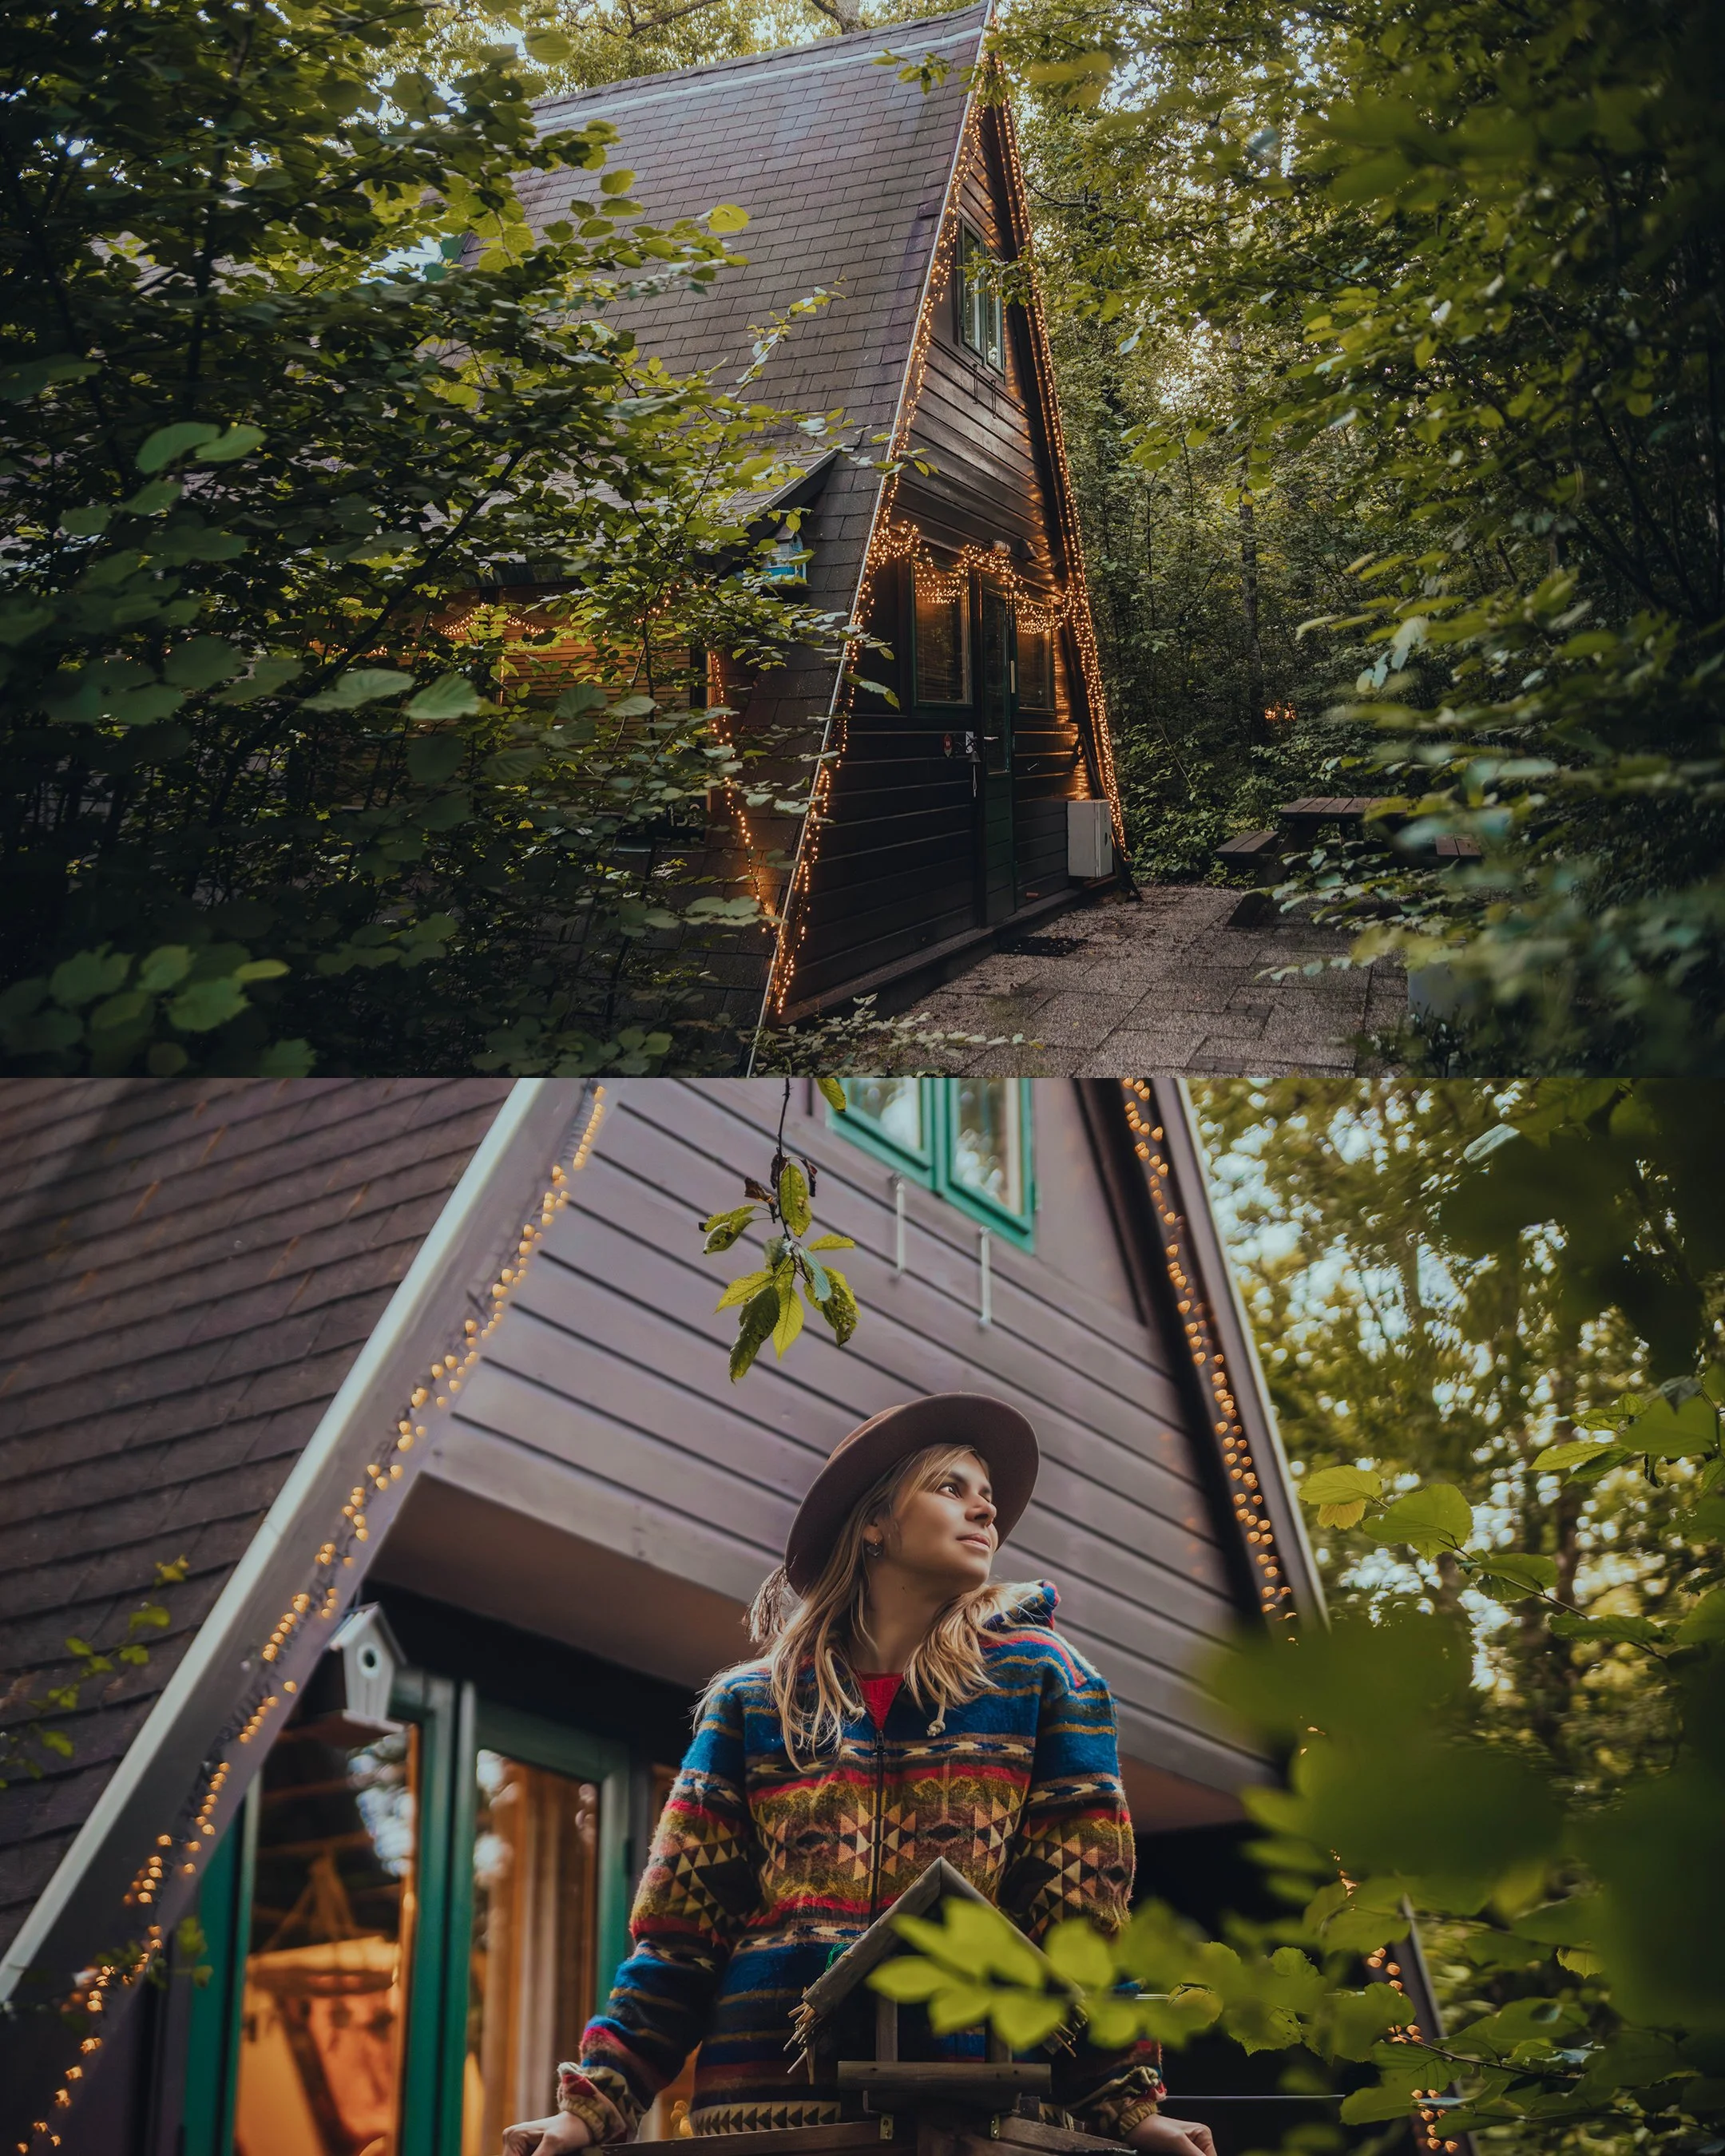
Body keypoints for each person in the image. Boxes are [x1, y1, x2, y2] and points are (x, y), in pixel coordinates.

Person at [502, 1394, 1218, 2156]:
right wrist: (595, 2104)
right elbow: (680, 1939)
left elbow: (1081, 1924)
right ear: (875, 1522)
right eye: (951, 1488)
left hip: (975, 2120)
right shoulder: (753, 1706)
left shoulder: (1046, 1681)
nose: (986, 1511)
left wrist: (1129, 2108)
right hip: (768, 2122)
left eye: (989, 1498)